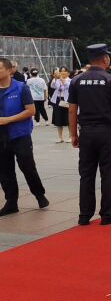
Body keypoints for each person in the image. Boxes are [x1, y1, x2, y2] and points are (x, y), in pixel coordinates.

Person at [68, 44, 111, 226]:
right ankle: (106, 213)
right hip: (106, 132)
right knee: (108, 172)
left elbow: (72, 111)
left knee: (86, 174)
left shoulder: (77, 81)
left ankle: (84, 215)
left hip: (86, 132)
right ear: (104, 58)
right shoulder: (110, 81)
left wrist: (73, 135)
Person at [0, 58, 49, 216]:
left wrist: (9, 119)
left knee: (27, 166)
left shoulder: (21, 88)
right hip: (1, 137)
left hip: (20, 134)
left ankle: (39, 195)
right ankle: (11, 202)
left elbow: (31, 111)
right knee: (4, 170)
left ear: (9, 71)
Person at [50, 66, 71, 143]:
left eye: (64, 71)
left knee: (69, 120)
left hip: (66, 101)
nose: (62, 73)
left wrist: (61, 78)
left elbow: (66, 85)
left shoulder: (70, 80)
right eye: (61, 71)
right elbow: (52, 86)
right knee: (58, 120)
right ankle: (60, 137)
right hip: (58, 101)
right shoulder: (57, 80)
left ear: (68, 73)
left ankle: (70, 136)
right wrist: (55, 78)